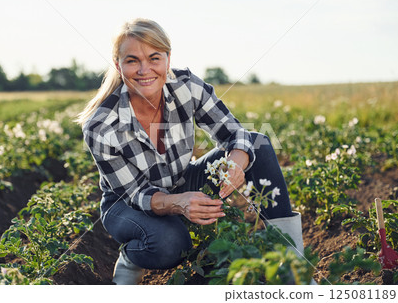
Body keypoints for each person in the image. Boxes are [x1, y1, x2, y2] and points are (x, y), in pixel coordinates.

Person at [77, 18, 314, 285]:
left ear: (168, 59)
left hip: (180, 182)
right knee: (170, 242)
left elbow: (236, 133)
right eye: (132, 61)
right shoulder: (101, 125)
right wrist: (178, 203)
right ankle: (132, 258)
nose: (145, 70)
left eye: (154, 58)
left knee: (258, 144)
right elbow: (134, 194)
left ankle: (294, 270)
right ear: (118, 65)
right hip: (127, 205)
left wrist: (237, 160)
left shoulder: (185, 86)